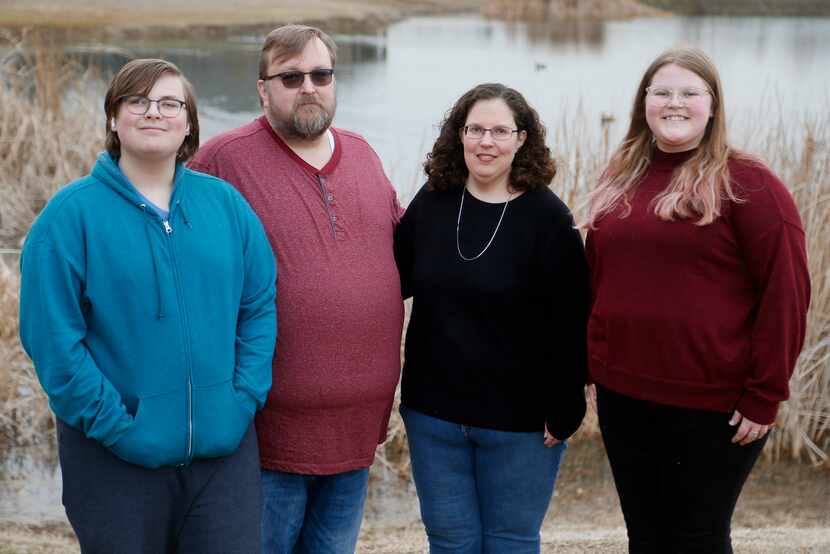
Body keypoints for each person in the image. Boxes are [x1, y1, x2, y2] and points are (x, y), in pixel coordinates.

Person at [18, 58, 277, 553]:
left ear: (188, 124)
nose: (153, 112)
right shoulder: (69, 218)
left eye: (169, 103)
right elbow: (53, 341)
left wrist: (241, 400)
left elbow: (258, 307)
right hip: (114, 459)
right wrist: (117, 426)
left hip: (223, 461)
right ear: (114, 118)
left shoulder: (227, 207)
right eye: (136, 101)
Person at [583, 47, 811, 553]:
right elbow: (599, 280)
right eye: (661, 92)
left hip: (713, 406)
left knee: (697, 538)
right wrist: (592, 365)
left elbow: (787, 292)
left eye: (690, 92)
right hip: (624, 396)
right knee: (646, 536)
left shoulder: (750, 185)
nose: (674, 103)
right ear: (644, 102)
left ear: (713, 105)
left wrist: (765, 394)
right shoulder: (621, 179)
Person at [189, 25, 404, 554]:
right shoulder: (221, 163)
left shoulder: (363, 154)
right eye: (290, 77)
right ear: (263, 89)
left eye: (321, 74)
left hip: (356, 431)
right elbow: (180, 275)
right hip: (266, 436)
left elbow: (410, 251)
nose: (308, 86)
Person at [393, 83, 589, 554]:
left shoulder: (549, 219)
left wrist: (566, 409)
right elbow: (391, 282)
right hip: (433, 416)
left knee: (509, 543)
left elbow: (575, 319)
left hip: (519, 423)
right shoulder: (435, 202)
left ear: (522, 139)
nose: (486, 142)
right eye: (475, 129)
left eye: (500, 131)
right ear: (458, 136)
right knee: (449, 541)